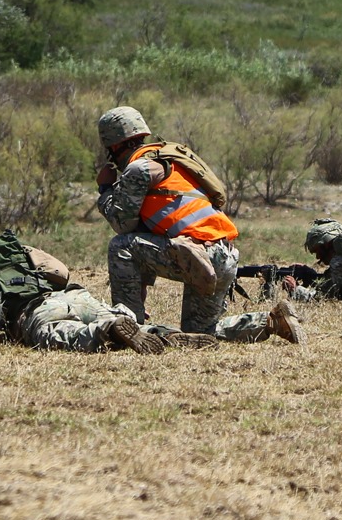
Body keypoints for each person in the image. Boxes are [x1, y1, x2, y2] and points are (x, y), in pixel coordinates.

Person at [94, 106, 299, 343]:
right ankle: (272, 321)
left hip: (198, 256)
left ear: (113, 146)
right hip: (224, 255)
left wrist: (105, 189)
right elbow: (144, 233)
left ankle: (128, 329)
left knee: (120, 245)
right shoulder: (173, 161)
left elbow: (123, 225)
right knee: (200, 333)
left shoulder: (139, 168)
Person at [0, 233, 304, 352]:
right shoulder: (28, 262)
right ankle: (161, 334)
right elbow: (60, 275)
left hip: (36, 312)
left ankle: (108, 331)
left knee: (56, 335)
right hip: (76, 296)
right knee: (124, 321)